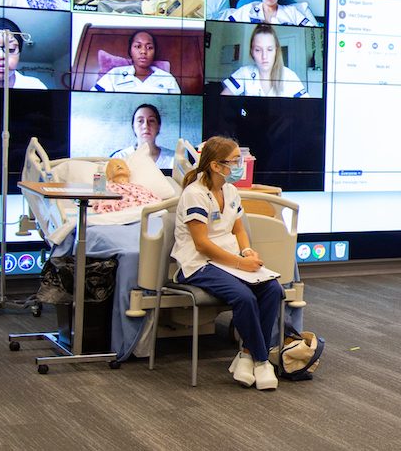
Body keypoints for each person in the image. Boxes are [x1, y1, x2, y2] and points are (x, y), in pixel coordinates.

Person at [171, 136, 283, 390]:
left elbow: (239, 228)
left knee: (273, 289)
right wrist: (240, 264)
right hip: (198, 264)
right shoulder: (195, 194)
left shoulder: (230, 191)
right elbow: (201, 244)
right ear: (216, 165)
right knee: (244, 297)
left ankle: (246, 354)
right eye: (235, 161)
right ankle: (262, 361)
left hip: (229, 260)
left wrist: (247, 251)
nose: (239, 165)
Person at [221, 25, 307, 98]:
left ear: (276, 51)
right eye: (258, 50)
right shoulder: (244, 73)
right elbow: (222, 102)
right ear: (252, 52)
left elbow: (306, 109)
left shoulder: (289, 76)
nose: (264, 56)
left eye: (269, 49)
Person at [92, 31, 181, 94]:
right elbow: (94, 99)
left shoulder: (167, 78)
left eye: (149, 47)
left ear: (155, 52)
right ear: (130, 51)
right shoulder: (115, 74)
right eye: (138, 46)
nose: (143, 51)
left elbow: (178, 109)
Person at [110, 104, 174, 169]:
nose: (145, 126)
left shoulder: (173, 159)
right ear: (133, 126)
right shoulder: (119, 158)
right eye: (140, 121)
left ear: (158, 126)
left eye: (151, 120)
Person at [91, 158, 162, 214]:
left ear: (129, 172)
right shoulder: (107, 189)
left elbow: (155, 203)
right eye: (113, 166)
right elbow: (100, 203)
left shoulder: (140, 188)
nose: (119, 166)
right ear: (108, 175)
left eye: (122, 164)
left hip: (143, 216)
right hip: (120, 217)